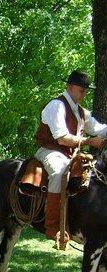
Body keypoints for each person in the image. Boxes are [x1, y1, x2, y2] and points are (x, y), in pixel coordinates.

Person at [35, 70, 107, 241]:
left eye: (86, 90)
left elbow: (99, 129)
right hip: (50, 151)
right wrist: (89, 142)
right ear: (70, 87)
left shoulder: (82, 112)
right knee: (59, 173)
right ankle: (53, 227)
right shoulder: (56, 106)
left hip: (70, 155)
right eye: (82, 89)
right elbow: (62, 138)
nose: (85, 93)